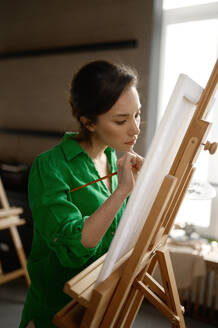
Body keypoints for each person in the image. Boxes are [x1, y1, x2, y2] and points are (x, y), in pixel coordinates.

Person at [19, 60, 144, 328]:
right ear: (88, 122)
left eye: (138, 114)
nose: (135, 129)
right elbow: (75, 247)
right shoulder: (50, 166)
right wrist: (122, 191)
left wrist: (140, 187)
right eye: (121, 120)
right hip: (57, 312)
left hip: (99, 304)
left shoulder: (113, 158)